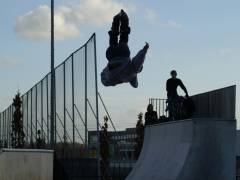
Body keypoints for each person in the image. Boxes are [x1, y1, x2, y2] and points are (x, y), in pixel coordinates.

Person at [101, 10, 149, 88]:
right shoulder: (116, 80)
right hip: (111, 57)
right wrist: (107, 69)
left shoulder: (134, 71)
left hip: (123, 55)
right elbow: (104, 81)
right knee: (113, 41)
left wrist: (144, 50)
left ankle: (124, 19)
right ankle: (116, 21)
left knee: (123, 39)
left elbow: (138, 61)